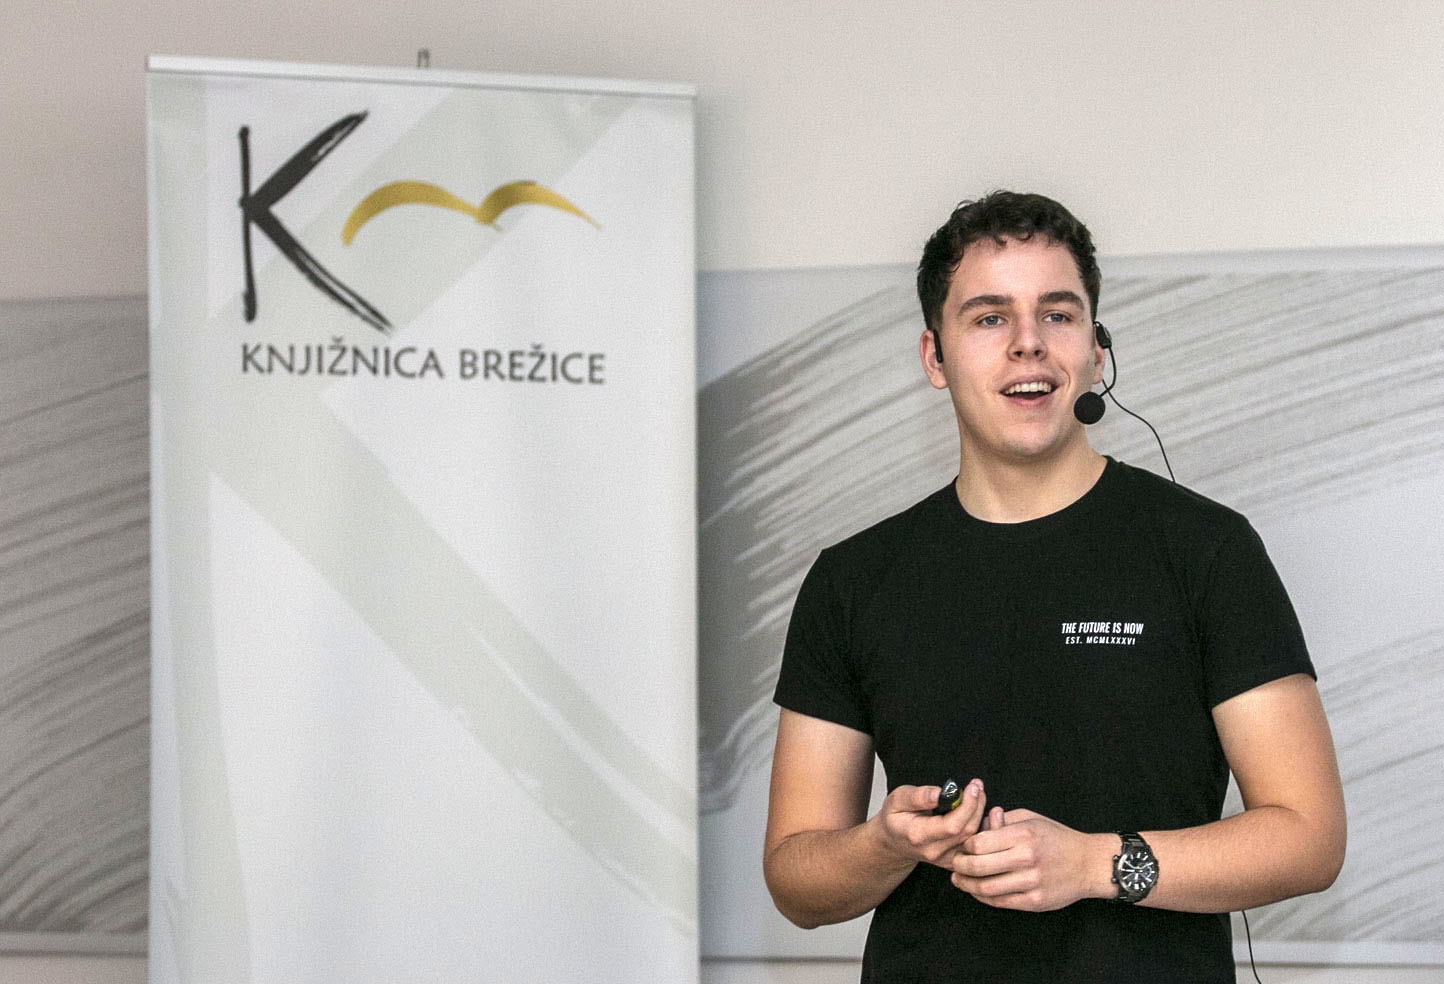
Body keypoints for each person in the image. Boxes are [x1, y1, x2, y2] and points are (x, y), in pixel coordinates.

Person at [762, 191, 1346, 982]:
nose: (1029, 343)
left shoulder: (1206, 550)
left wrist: (1092, 864)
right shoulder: (854, 580)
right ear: (935, 357)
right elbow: (795, 880)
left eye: (1059, 314)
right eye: (989, 317)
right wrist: (884, 844)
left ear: (1097, 351)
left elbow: (1310, 837)